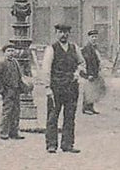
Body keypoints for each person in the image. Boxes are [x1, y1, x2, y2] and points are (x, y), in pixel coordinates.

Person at [41, 23, 86, 154]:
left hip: (71, 88)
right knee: (53, 116)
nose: (63, 35)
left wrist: (78, 72)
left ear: (69, 34)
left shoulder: (75, 48)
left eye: (66, 32)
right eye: (61, 32)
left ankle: (67, 144)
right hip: (56, 88)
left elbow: (82, 63)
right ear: (56, 33)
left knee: (70, 116)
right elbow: (46, 69)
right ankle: (51, 144)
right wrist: (47, 87)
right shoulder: (51, 49)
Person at [0, 44, 29, 141]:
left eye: (12, 51)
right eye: (8, 51)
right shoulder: (2, 63)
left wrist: (23, 86)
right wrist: (0, 88)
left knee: (16, 111)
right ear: (4, 53)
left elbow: (19, 76)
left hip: (16, 90)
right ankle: (4, 133)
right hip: (8, 91)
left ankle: (14, 132)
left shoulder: (15, 62)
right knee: (7, 111)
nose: (11, 53)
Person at [81, 29, 106, 115]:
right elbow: (87, 62)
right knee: (88, 90)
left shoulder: (95, 48)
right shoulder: (86, 49)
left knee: (93, 90)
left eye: (95, 37)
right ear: (89, 38)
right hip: (89, 73)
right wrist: (88, 74)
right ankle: (85, 108)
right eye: (92, 37)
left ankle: (91, 107)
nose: (94, 38)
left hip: (94, 72)